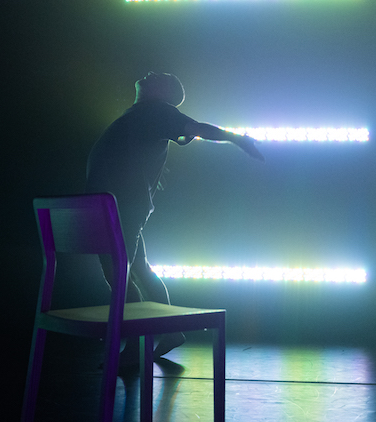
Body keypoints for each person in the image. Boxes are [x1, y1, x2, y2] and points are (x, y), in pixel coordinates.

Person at [85, 71, 264, 360]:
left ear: (163, 93)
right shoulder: (146, 114)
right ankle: (171, 331)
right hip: (118, 205)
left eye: (159, 76)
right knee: (138, 269)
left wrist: (237, 139)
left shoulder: (158, 112)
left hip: (121, 207)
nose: (150, 73)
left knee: (119, 274)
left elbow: (197, 128)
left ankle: (133, 347)